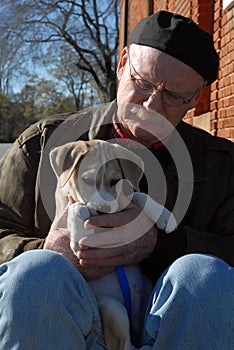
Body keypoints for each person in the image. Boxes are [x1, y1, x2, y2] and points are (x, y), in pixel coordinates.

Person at [0, 10, 233, 350]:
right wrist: (45, 251)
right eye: (142, 83)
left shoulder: (223, 166)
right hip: (66, 324)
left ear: (196, 97)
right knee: (35, 274)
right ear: (123, 62)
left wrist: (159, 244)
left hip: (177, 327)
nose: (152, 105)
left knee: (204, 277)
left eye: (173, 96)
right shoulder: (40, 146)